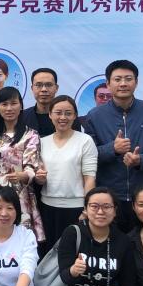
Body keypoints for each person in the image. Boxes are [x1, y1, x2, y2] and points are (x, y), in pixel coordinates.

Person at [81, 60, 143, 233]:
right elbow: (88, 155)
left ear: (136, 82)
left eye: (128, 79)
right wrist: (112, 149)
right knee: (111, 243)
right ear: (108, 84)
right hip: (109, 197)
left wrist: (140, 160)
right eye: (117, 79)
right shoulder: (94, 116)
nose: (123, 84)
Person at [0, 86, 44, 242]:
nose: (9, 108)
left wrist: (24, 175)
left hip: (19, 190)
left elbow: (31, 164)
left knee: (19, 237)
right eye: (4, 104)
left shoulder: (31, 134)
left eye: (13, 103)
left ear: (21, 106)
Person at [36, 95, 97, 249]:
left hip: (76, 209)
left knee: (74, 253)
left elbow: (89, 178)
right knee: (48, 253)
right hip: (47, 208)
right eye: (58, 113)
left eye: (68, 113)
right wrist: (39, 178)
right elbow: (39, 177)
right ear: (50, 115)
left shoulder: (85, 141)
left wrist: (87, 209)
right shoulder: (41, 142)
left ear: (75, 116)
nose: (63, 117)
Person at [22, 67, 59, 137]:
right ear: (32, 88)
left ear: (56, 88)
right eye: (38, 85)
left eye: (49, 85)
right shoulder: (21, 118)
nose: (44, 89)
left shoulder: (67, 118)